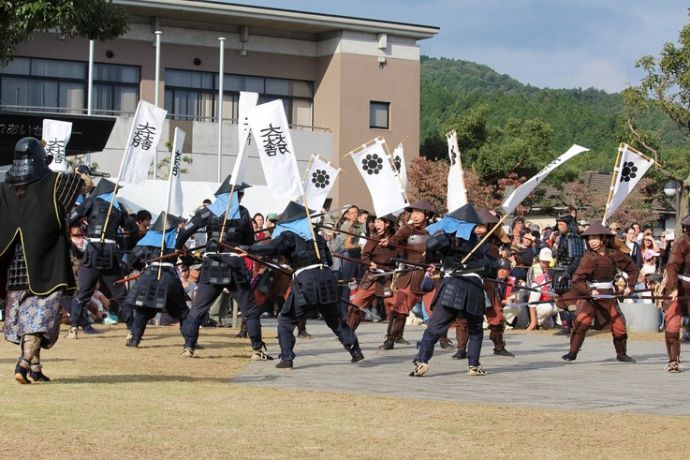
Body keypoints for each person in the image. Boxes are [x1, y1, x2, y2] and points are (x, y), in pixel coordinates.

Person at [0, 137, 83, 383]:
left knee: (24, 316)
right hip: (44, 263)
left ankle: (35, 368)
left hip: (14, 264)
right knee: (40, 315)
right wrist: (79, 174)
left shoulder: (5, 187)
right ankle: (24, 363)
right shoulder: (55, 183)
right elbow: (81, 183)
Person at [246, 201, 363, 369]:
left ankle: (287, 358)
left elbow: (272, 247)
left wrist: (248, 249)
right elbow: (328, 261)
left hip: (307, 280)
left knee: (286, 320)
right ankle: (356, 351)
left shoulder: (290, 236)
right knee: (335, 320)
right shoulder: (317, 238)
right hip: (327, 277)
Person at [175, 176, 271, 360]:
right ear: (236, 195)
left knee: (198, 308)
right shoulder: (243, 213)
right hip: (234, 264)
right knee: (250, 310)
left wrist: (180, 247)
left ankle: (188, 347)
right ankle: (257, 350)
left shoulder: (207, 212)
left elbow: (185, 230)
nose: (242, 197)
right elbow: (249, 242)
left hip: (212, 264)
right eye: (240, 194)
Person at [410, 203, 497, 377]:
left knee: (435, 327)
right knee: (475, 329)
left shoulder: (452, 239)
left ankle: (422, 361)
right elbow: (491, 269)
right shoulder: (481, 244)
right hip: (473, 288)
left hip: (454, 285)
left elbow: (431, 246)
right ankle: (473, 365)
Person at [562, 222, 638, 363]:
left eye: (595, 238)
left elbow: (632, 269)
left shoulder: (614, 254)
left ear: (603, 239)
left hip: (609, 295)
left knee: (619, 325)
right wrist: (591, 290)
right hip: (590, 296)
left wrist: (630, 286)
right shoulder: (588, 258)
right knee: (581, 322)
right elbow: (577, 280)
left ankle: (621, 354)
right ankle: (572, 352)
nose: (591, 242)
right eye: (589, 239)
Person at [68, 178, 134, 337]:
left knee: (83, 293)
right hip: (111, 251)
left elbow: (71, 219)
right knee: (121, 294)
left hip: (94, 250)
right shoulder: (118, 207)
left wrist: (85, 222)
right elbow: (132, 228)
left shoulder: (91, 201)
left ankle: (74, 328)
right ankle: (133, 330)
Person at [120, 213, 189, 347]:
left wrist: (143, 268)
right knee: (182, 313)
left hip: (149, 277)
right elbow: (189, 260)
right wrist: (186, 256)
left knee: (143, 310)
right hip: (169, 277)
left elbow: (132, 260)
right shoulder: (176, 240)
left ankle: (134, 340)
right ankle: (190, 343)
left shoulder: (147, 239)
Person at [378, 199, 436, 350]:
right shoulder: (407, 229)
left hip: (429, 275)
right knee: (400, 309)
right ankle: (390, 339)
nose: (415, 216)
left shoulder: (435, 231)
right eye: (414, 212)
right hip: (409, 275)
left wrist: (431, 255)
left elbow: (442, 251)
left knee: (435, 310)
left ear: (427, 214)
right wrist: (388, 242)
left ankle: (441, 339)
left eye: (419, 213)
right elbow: (394, 241)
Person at [346, 214, 398, 331]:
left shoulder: (397, 240)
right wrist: (370, 264)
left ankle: (393, 337)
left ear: (387, 223)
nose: (376, 224)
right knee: (356, 303)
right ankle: (348, 332)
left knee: (394, 307)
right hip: (372, 276)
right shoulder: (374, 238)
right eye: (375, 222)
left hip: (389, 277)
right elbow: (364, 256)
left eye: (379, 222)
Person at [661, 214, 690, 373]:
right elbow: (672, 266)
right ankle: (673, 360)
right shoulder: (681, 243)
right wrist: (673, 288)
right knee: (672, 324)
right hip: (678, 285)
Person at [552, 214, 586, 334]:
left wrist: (568, 272)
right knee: (559, 301)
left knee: (570, 301)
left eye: (561, 224)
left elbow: (577, 259)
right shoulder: (561, 238)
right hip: (559, 271)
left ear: (569, 225)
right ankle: (566, 327)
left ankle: (578, 328)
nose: (558, 226)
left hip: (569, 273)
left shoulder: (574, 239)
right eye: (558, 224)